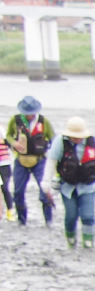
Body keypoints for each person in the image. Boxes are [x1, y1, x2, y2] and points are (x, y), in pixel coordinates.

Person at [47, 116, 95, 250]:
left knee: (88, 216)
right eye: (74, 136)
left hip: (87, 186)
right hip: (67, 186)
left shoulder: (91, 142)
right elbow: (51, 161)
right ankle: (71, 240)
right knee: (71, 216)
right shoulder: (60, 142)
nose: (77, 139)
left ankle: (88, 243)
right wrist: (45, 182)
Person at [7, 97, 55, 227]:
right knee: (18, 191)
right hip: (20, 161)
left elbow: (53, 139)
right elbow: (8, 136)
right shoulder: (15, 120)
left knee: (44, 190)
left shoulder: (44, 122)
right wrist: (14, 143)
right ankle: (22, 221)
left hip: (39, 161)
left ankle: (48, 221)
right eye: (26, 113)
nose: (29, 116)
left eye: (31, 113)